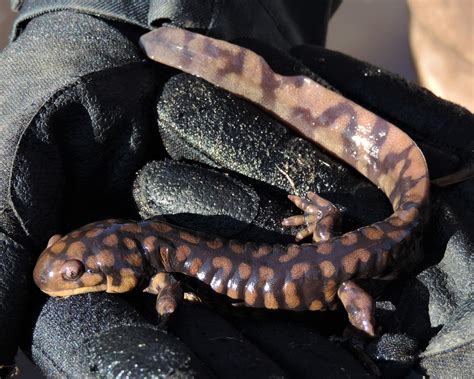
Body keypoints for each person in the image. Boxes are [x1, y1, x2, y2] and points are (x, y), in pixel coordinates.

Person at [0, 1, 472, 377]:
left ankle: (366, 335)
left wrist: (164, 320)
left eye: (76, 269)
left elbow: (166, 299)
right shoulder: (154, 243)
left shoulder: (159, 263)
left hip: (348, 279)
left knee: (358, 305)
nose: (70, 274)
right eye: (74, 266)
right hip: (339, 256)